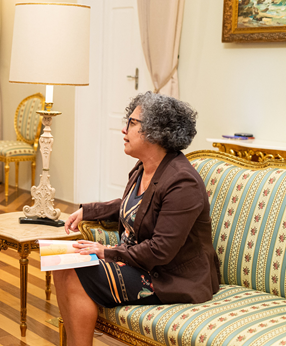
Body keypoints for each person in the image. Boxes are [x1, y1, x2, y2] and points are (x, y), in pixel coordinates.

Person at [54, 91, 220, 346]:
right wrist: (89, 211)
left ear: (155, 131)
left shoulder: (182, 182)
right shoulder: (145, 167)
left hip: (168, 276)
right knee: (61, 263)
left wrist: (107, 251)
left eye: (132, 123)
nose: (123, 129)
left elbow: (160, 251)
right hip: (140, 263)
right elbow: (137, 207)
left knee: (75, 270)